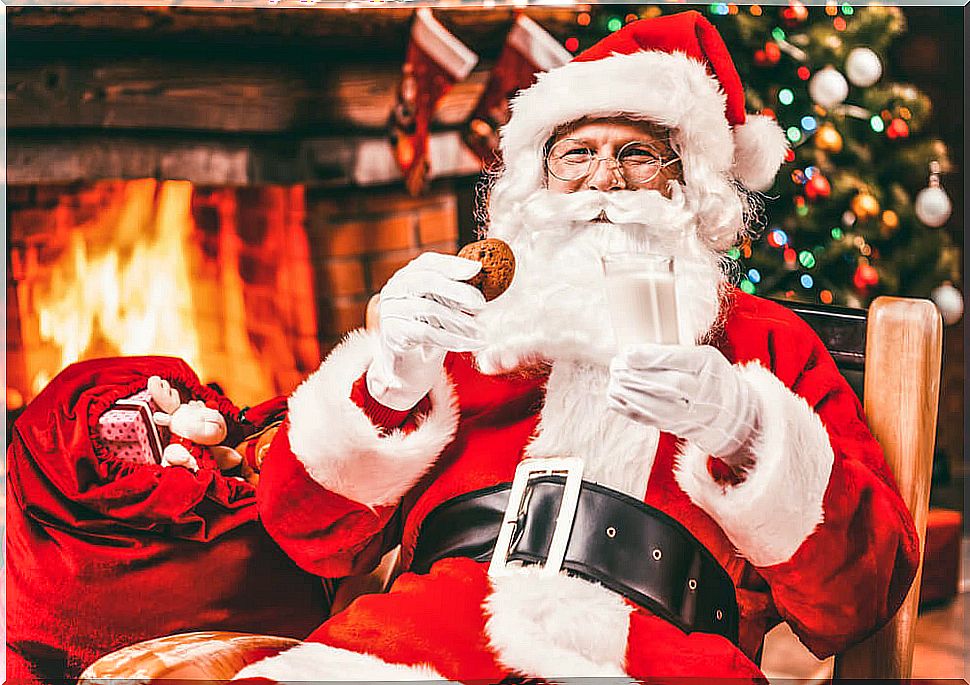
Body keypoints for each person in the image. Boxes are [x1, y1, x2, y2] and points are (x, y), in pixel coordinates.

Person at [235, 11, 918, 682]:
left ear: (689, 184)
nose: (602, 181)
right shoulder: (467, 321)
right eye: (577, 153)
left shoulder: (768, 341)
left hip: (661, 654)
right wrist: (384, 388)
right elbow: (304, 531)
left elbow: (860, 597)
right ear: (539, 178)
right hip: (420, 644)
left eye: (637, 154)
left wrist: (747, 433)